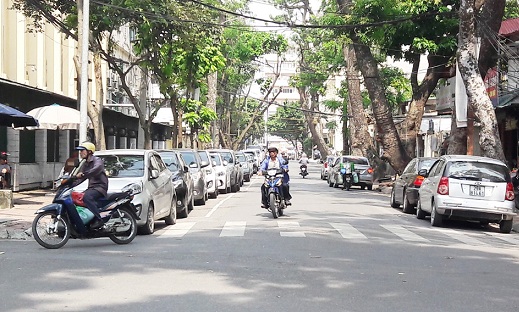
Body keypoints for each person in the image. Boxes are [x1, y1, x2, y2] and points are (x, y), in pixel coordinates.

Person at [72, 142, 108, 229]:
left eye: (82, 151)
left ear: (89, 152)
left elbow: (95, 170)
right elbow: (80, 178)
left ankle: (99, 219)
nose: (80, 153)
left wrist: (83, 174)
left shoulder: (97, 161)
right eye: (80, 151)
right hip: (92, 188)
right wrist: (69, 183)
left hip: (100, 187)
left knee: (86, 197)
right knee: (76, 198)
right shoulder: (85, 164)